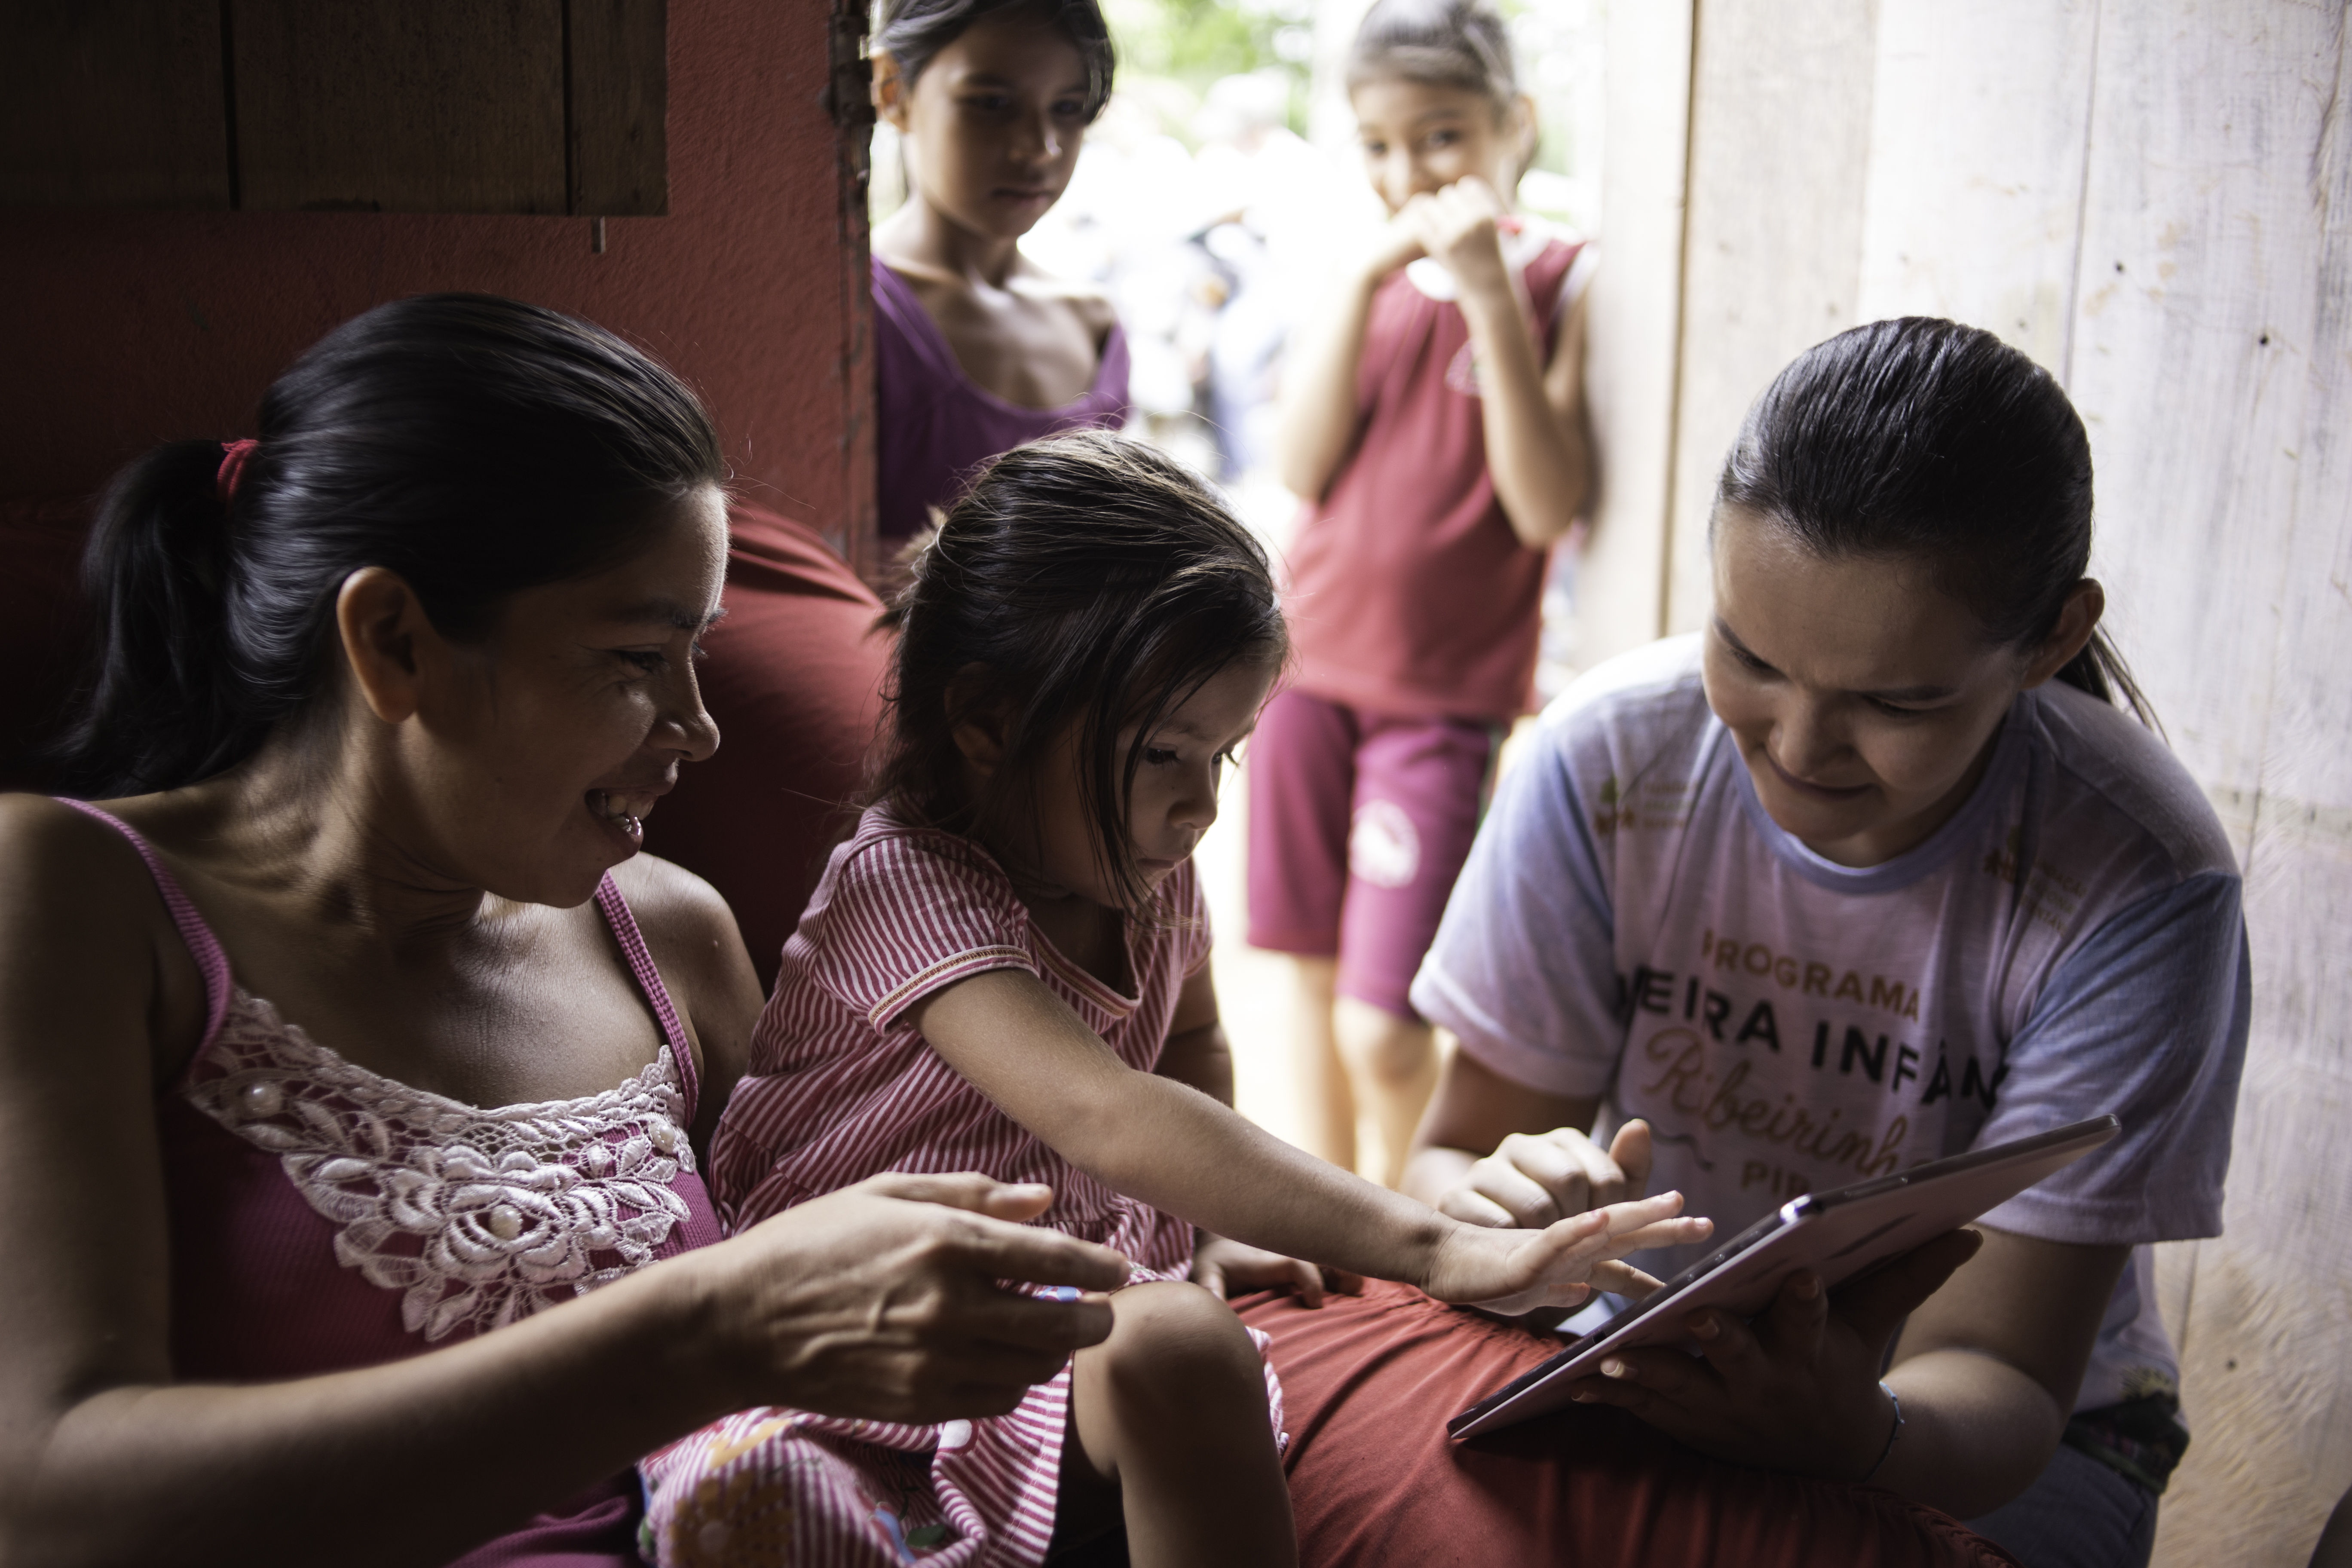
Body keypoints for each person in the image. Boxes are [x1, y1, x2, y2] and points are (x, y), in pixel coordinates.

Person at [0, 294, 1139, 1568]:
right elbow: (49, 1498)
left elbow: (815, 1415)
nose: (698, 728)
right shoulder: (73, 895)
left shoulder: (671, 935)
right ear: (394, 642)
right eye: (636, 658)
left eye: (699, 650)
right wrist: (708, 1327)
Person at [638, 432, 1704, 1568]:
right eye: (1161, 756)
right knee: (752, 1494)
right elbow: (1108, 1112)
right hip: (847, 1342)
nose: (1200, 806)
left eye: (1226, 756)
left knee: (1191, 1350)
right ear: (989, 722)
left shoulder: (1152, 874)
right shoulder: (906, 885)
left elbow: (1194, 1055)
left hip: (1046, 1329)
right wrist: (1433, 1245)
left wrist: (1193, 1237)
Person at [1405, 318, 2249, 1568]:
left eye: (1896, 702)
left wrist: (1855, 1432)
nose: (1798, 747)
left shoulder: (2137, 875)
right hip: (1633, 1356)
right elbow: (1446, 1163)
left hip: (1993, 1433)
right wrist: (1498, 1211)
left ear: (2055, 638)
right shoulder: (1612, 762)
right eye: (1749, 654)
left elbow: (2006, 1374)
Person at [1252, 0, 1594, 1186]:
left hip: (1440, 699)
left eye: (1441, 137)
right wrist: (1357, 284)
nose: (1409, 174)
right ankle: (1327, 1227)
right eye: (1381, 146)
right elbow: (1300, 468)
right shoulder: (1370, 281)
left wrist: (1490, 296)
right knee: (1298, 975)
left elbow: (1545, 505)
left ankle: (1417, 1242)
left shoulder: (1559, 279)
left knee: (1386, 1024)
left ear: (1516, 126)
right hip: (1304, 672)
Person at [869, 0, 1132, 550]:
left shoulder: (1093, 325)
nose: (1040, 147)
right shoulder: (862, 313)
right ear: (893, 89)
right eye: (992, 103)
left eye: (1068, 107)